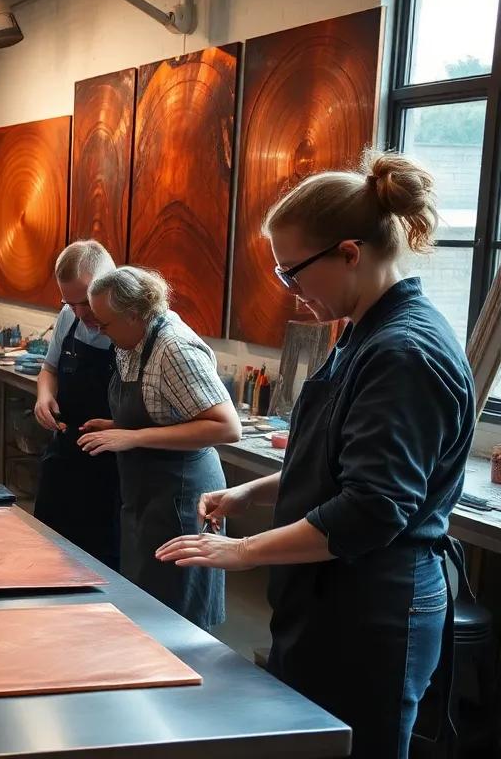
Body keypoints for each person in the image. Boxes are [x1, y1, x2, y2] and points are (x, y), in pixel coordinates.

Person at [157, 151, 473, 758]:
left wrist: (243, 550)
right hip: (331, 597)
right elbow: (334, 459)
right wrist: (253, 492)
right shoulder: (361, 331)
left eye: (292, 272)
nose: (289, 290)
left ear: (350, 253)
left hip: (375, 608)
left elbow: (372, 508)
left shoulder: (404, 352)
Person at [77, 266, 241, 628]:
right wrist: (119, 426)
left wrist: (133, 436)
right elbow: (162, 411)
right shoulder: (131, 340)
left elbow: (227, 427)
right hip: (145, 492)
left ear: (133, 315)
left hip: (183, 493)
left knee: (176, 610)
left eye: (104, 325)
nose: (99, 331)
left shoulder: (174, 348)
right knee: (143, 597)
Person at [31, 240, 120, 570]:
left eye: (85, 303)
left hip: (110, 466)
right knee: (49, 547)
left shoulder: (127, 329)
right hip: (66, 452)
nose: (80, 314)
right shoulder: (70, 317)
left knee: (101, 560)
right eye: (70, 303)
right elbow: (48, 369)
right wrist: (44, 397)